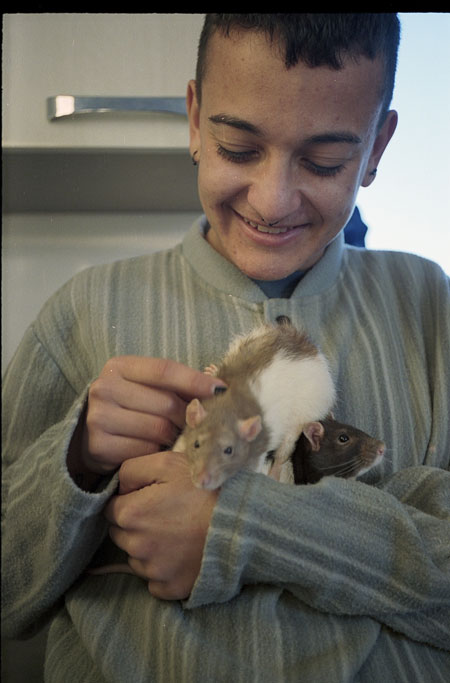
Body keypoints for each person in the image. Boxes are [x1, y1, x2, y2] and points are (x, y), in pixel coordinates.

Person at [2, 13, 450, 682]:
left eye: (324, 161)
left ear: (377, 148)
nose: (273, 201)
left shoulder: (430, 307)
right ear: (194, 120)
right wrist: (77, 460)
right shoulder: (82, 311)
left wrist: (249, 526)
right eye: (239, 149)